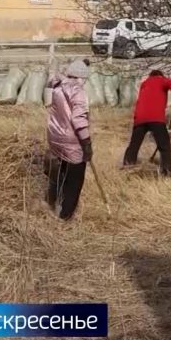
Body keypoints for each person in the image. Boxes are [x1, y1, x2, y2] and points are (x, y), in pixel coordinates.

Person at [46, 59, 93, 220]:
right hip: (71, 141)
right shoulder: (78, 91)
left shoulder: (57, 87)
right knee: (76, 178)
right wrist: (87, 143)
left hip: (55, 137)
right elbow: (78, 119)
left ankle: (53, 202)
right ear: (81, 77)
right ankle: (65, 216)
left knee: (61, 171)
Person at [122, 69, 171, 175]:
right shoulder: (161, 80)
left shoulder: (144, 84)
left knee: (134, 145)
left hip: (140, 118)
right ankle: (167, 171)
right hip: (156, 118)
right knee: (164, 146)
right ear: (160, 75)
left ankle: (127, 167)